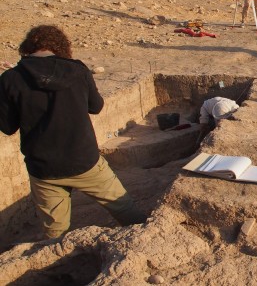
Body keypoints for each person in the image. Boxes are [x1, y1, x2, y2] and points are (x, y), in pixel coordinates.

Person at [0, 25, 147, 239]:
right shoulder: (77, 70)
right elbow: (96, 106)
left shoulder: (10, 79)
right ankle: (143, 240)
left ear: (28, 48)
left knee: (55, 232)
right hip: (83, 160)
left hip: (44, 168)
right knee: (123, 207)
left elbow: (7, 126)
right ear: (60, 46)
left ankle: (60, 267)